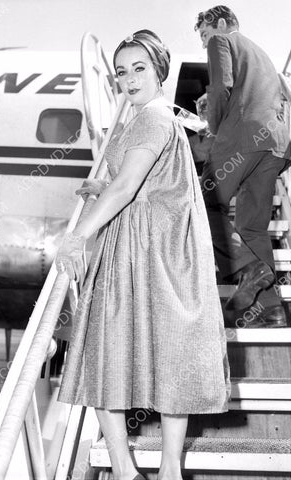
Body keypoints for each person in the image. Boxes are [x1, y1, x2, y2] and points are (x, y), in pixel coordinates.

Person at [56, 29, 230, 480]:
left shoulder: (153, 119)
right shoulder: (147, 119)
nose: (129, 79)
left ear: (158, 71)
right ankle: (160, 471)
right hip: (145, 244)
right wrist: (101, 187)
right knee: (169, 357)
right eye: (121, 71)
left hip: (147, 250)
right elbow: (142, 181)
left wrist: (77, 236)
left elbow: (129, 185)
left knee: (102, 356)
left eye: (139, 69)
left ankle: (129, 470)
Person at [195, 6, 291, 328]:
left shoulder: (222, 42)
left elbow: (221, 88)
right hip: (275, 146)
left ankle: (247, 267)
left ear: (220, 24)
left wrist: (213, 126)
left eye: (205, 34)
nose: (205, 42)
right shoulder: (262, 53)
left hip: (242, 137)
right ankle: (272, 308)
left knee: (200, 203)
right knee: (252, 228)